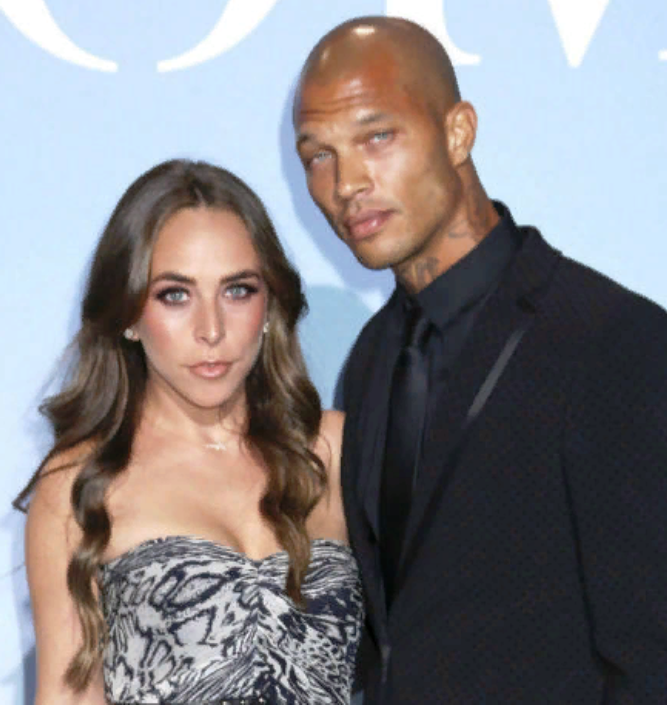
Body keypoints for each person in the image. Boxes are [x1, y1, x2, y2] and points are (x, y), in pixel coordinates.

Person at [292, 16, 667, 704]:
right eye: (318, 155)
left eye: (377, 136)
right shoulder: (371, 359)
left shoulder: (608, 337)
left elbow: (652, 654)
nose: (346, 183)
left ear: (458, 131)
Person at [15, 159, 364, 705]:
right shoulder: (80, 483)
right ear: (128, 313)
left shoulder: (335, 450)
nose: (211, 330)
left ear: (270, 304)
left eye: (238, 290)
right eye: (175, 294)